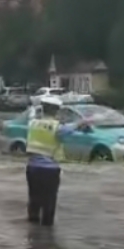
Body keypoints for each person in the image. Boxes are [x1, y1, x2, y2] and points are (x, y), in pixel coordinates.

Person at [25, 96, 81, 226]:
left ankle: (32, 236)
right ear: (57, 111)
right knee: (49, 203)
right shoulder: (58, 128)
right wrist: (81, 123)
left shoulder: (33, 123)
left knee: (34, 199)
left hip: (32, 168)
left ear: (43, 109)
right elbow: (71, 129)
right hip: (50, 170)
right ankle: (47, 235)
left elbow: (31, 115)